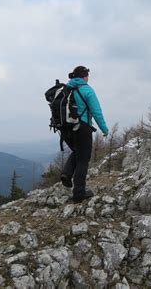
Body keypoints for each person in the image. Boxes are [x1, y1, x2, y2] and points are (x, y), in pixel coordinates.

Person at [60, 65, 109, 202]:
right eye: (87, 75)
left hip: (67, 129)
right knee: (83, 159)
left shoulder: (67, 89)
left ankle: (66, 173)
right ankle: (79, 193)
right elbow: (96, 112)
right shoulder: (87, 90)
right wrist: (104, 129)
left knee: (77, 151)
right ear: (84, 77)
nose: (88, 77)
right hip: (82, 127)